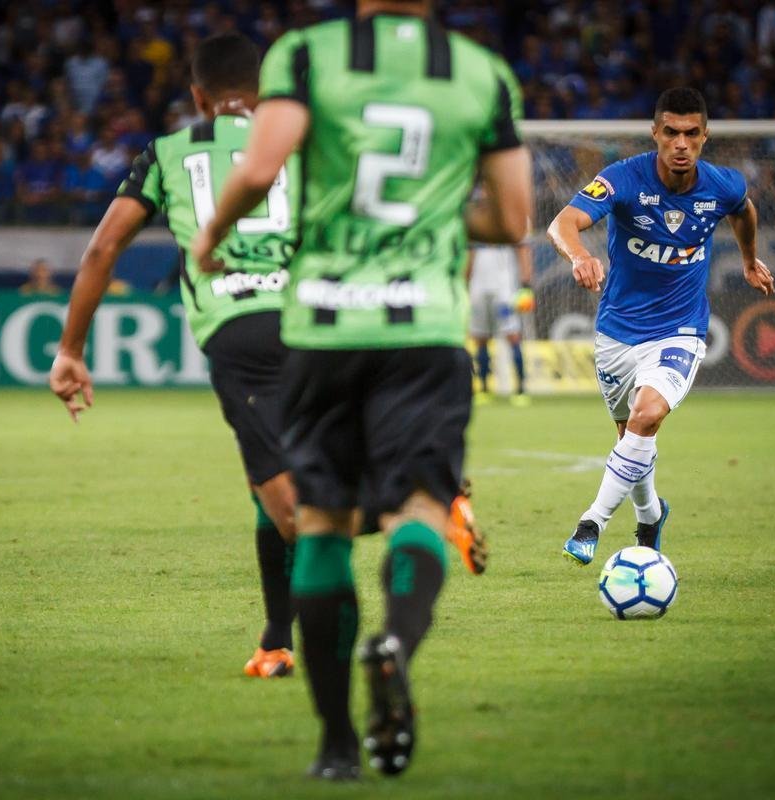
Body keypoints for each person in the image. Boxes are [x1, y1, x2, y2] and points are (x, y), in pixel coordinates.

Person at [193, 0, 532, 780]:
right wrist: (431, 218)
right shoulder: (481, 73)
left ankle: (338, 745)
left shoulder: (304, 54)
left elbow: (261, 169)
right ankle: (396, 643)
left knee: (322, 526)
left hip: (323, 328)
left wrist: (212, 234)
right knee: (420, 510)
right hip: (424, 331)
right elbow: (513, 217)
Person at [49, 33, 304, 681]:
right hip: (315, 324)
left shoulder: (167, 152)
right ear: (262, 92)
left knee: (292, 509)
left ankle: (416, 507)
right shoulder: (296, 141)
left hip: (238, 328)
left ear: (198, 97)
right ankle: (276, 639)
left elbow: (103, 249)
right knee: (270, 487)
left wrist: (71, 349)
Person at [547, 87, 775, 567]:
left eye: (691, 133)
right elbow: (562, 223)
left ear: (705, 136)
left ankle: (590, 524)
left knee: (647, 415)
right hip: (617, 332)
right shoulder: (622, 179)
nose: (681, 143)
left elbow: (744, 210)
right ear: (655, 133)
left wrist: (749, 259)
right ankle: (651, 516)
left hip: (680, 328)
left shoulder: (723, 185)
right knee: (632, 438)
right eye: (671, 132)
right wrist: (580, 255)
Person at [469, 237, 534, 404]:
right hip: (478, 287)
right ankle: (484, 388)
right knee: (480, 338)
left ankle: (521, 389)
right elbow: (469, 253)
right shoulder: (474, 227)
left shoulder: (507, 226)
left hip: (504, 288)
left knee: (512, 335)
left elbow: (523, 249)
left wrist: (526, 285)